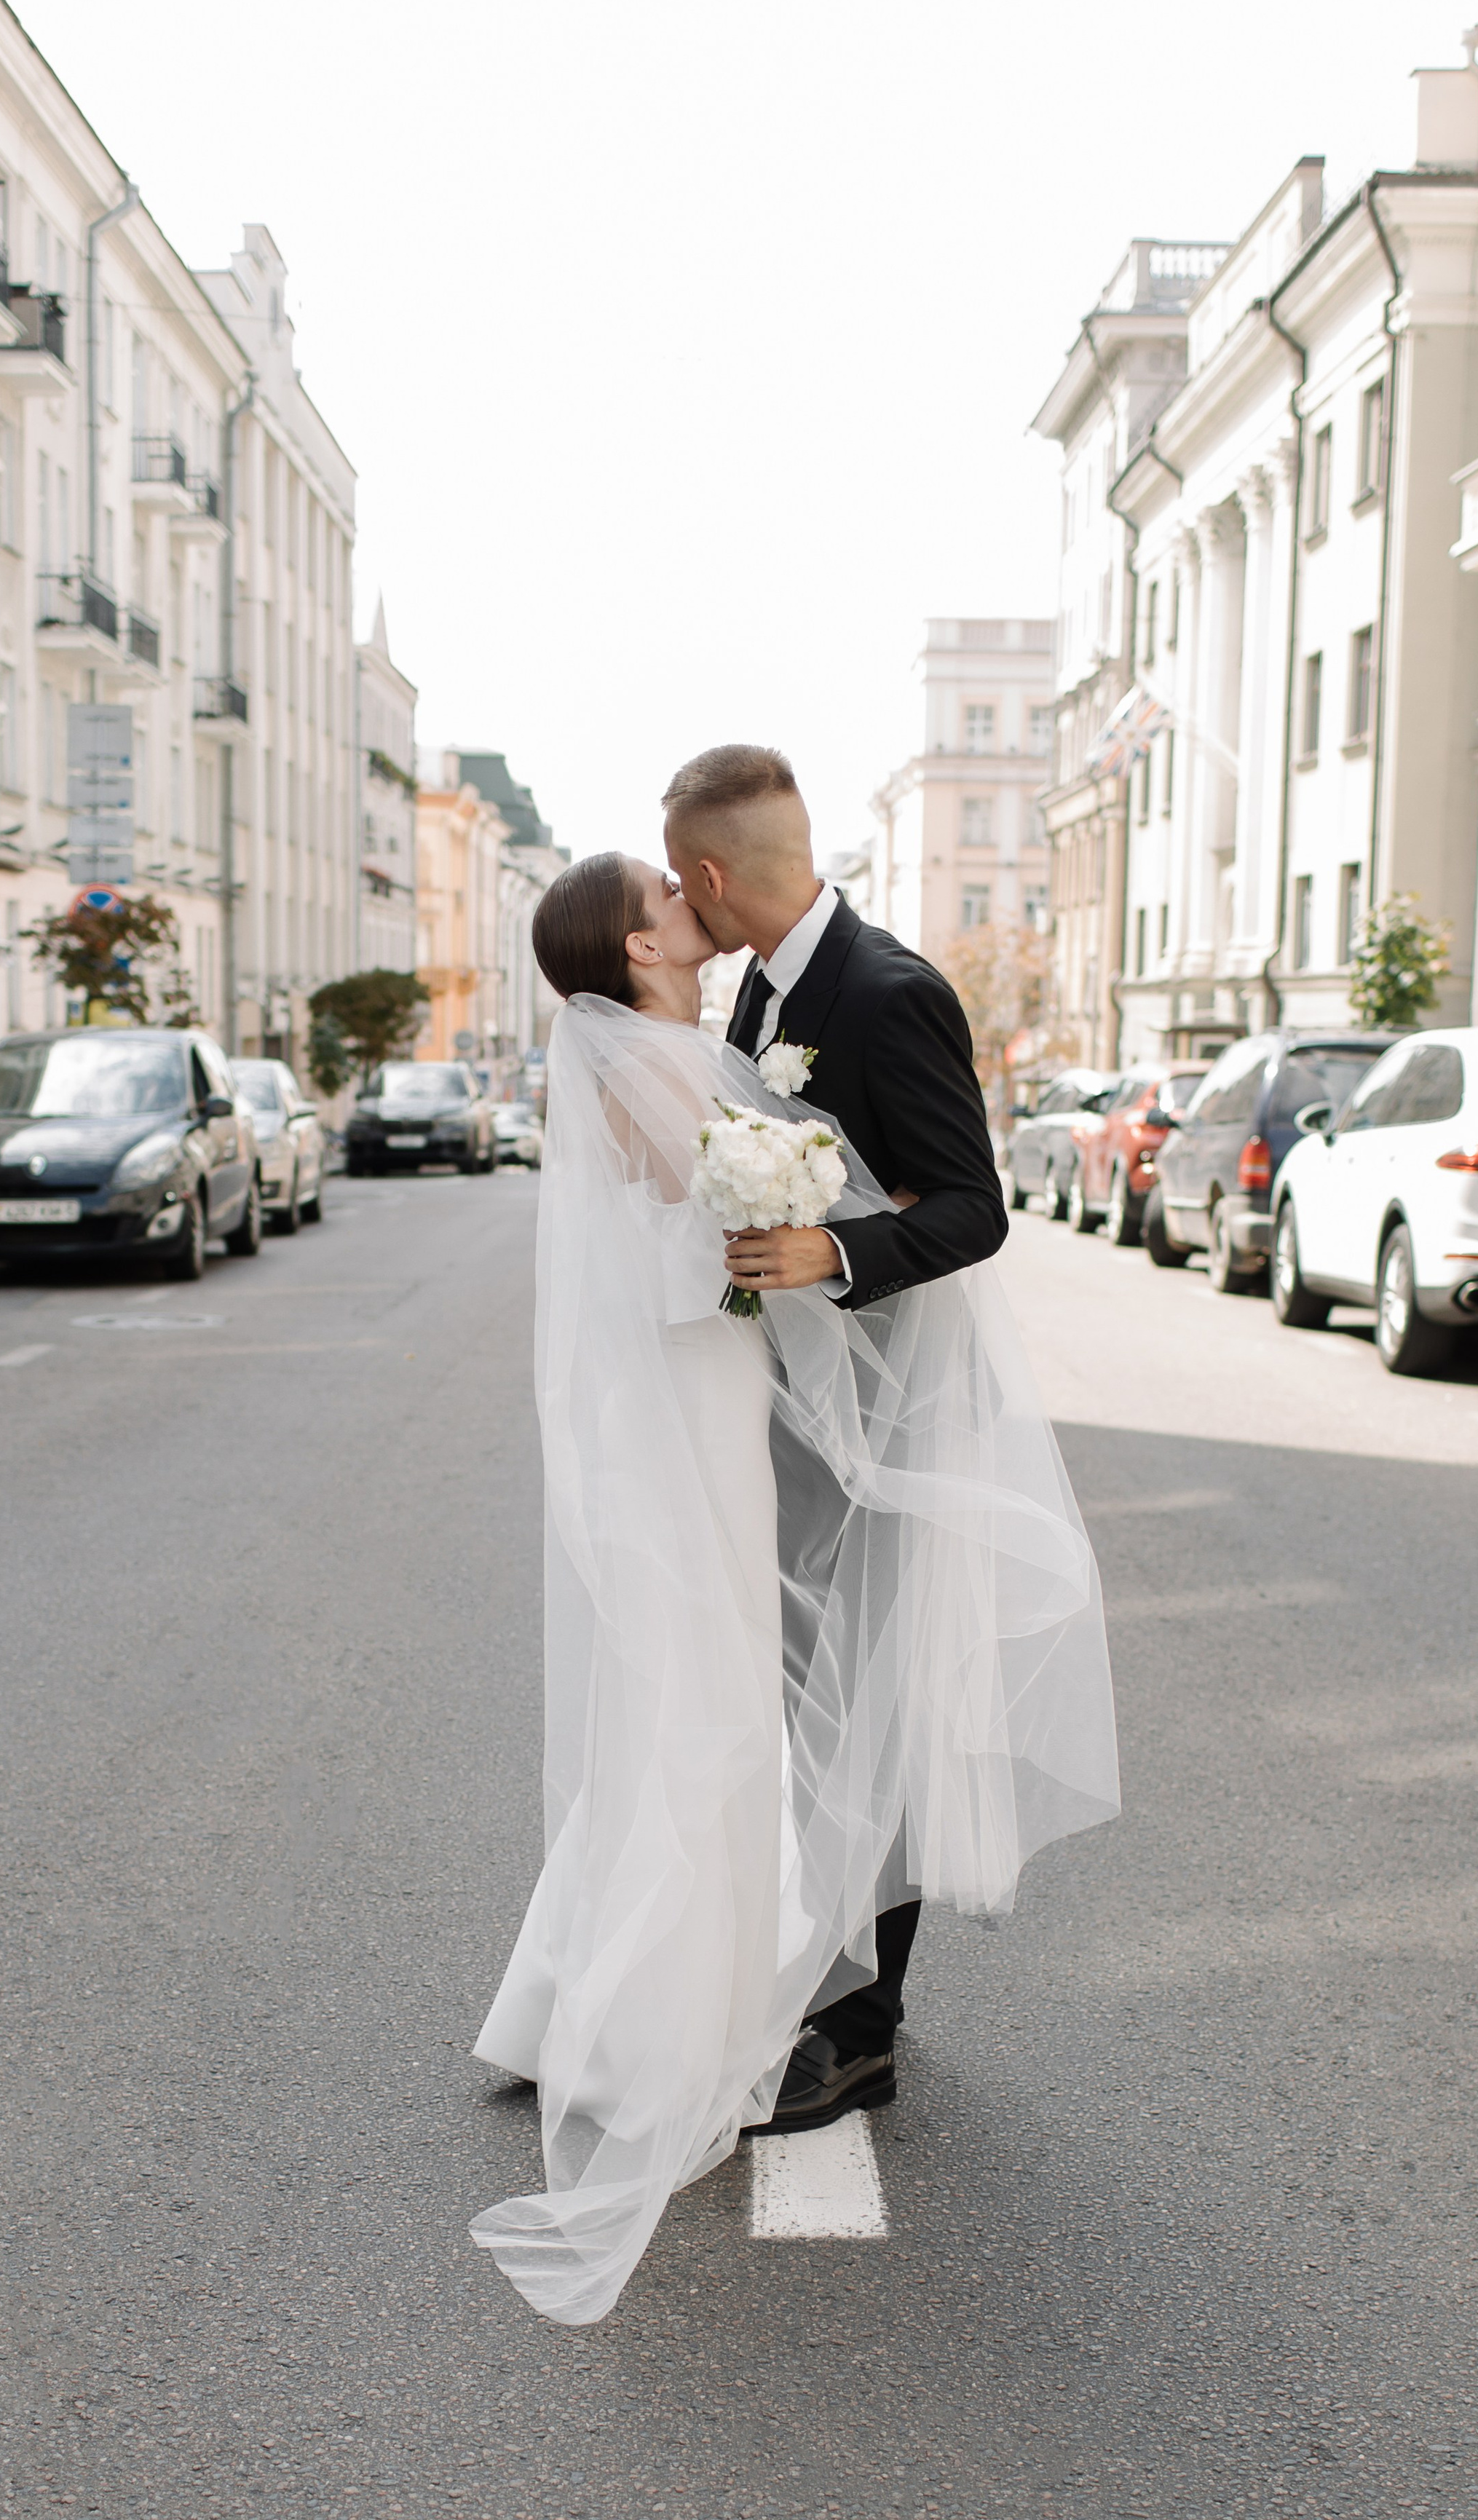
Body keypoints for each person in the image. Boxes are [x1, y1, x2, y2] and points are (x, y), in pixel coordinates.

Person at [470, 841, 1118, 2326]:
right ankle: (671, 2028)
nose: (685, 913)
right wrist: (826, 1211)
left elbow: (799, 1209)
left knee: (698, 1711)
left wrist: (828, 1217)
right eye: (662, 904)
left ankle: (596, 1997)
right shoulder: (671, 1058)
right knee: (716, 1719)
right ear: (638, 946)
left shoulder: (679, 1039)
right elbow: (739, 1220)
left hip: (701, 1413)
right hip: (706, 1422)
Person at [663, 743, 1009, 2130]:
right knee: (816, 1706)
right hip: (802, 1408)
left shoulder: (887, 990)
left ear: (703, 873)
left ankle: (864, 2026)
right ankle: (814, 1973)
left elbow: (974, 1208)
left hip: (892, 1412)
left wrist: (831, 1248)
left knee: (875, 1708)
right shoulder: (763, 985)